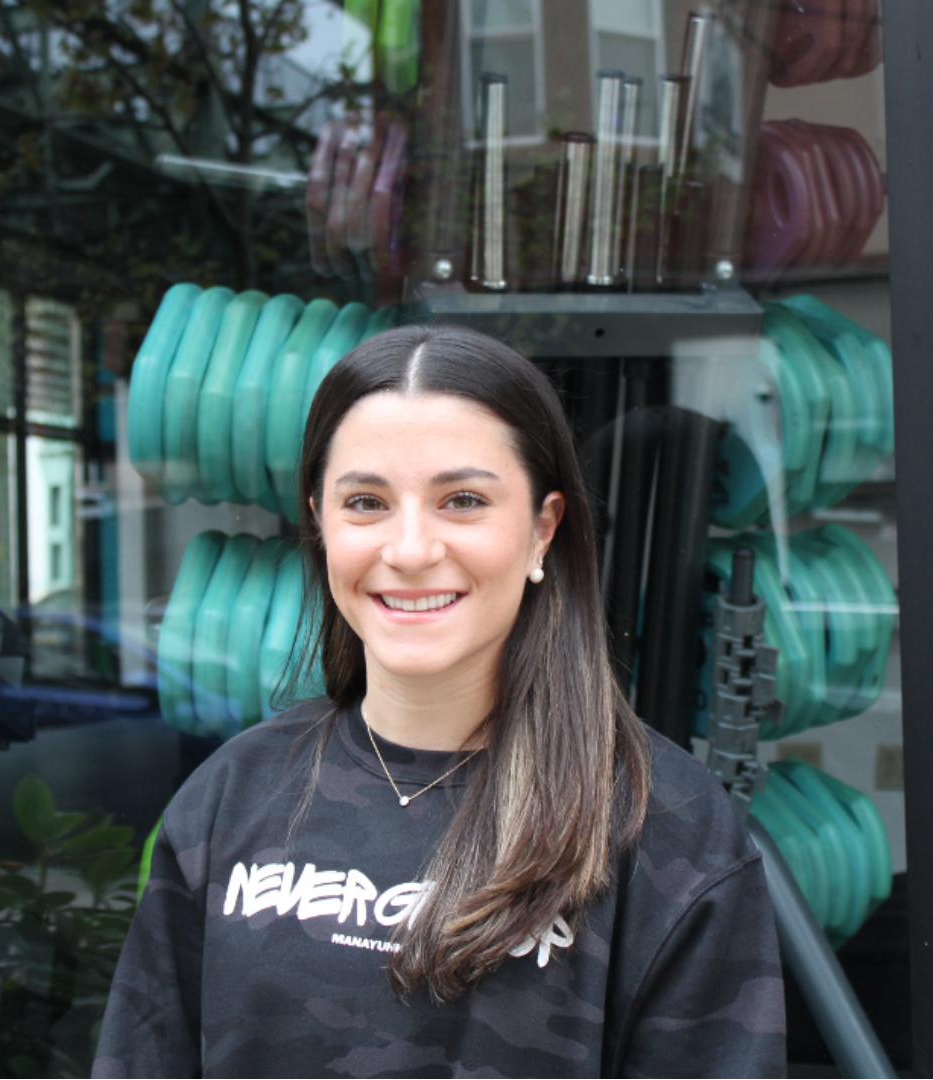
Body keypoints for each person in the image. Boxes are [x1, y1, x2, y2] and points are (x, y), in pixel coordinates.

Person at [93, 324, 786, 1079]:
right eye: (366, 502)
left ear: (542, 530)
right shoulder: (230, 798)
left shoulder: (668, 828)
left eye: (462, 500)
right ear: (320, 522)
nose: (411, 550)